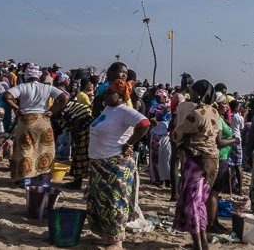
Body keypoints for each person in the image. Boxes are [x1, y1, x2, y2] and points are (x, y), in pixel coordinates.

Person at [86, 79, 150, 249]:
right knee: (101, 203)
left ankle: (117, 242)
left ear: (120, 96)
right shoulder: (108, 109)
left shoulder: (125, 111)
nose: (105, 95)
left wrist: (130, 143)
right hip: (100, 164)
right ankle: (108, 238)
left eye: (109, 93)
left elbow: (144, 124)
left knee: (115, 203)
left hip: (115, 164)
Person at [172, 80, 221, 250]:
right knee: (201, 202)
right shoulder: (215, 112)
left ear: (199, 95)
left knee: (192, 203)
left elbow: (177, 133)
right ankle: (204, 242)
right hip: (213, 161)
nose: (189, 94)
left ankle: (198, 245)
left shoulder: (197, 114)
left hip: (196, 161)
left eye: (192, 92)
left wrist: (178, 137)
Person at [2, 65, 68, 187]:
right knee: (44, 149)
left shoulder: (22, 87)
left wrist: (18, 109)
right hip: (43, 119)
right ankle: (43, 180)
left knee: (25, 149)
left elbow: (7, 96)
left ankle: (25, 179)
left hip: (26, 120)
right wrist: (53, 110)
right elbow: (64, 98)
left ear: (26, 76)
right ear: (38, 76)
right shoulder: (47, 88)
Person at [208, 92, 239, 233]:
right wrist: (234, 140)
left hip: (222, 157)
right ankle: (211, 224)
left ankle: (215, 221)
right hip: (220, 157)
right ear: (217, 104)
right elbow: (219, 142)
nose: (227, 106)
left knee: (216, 192)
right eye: (224, 103)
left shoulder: (219, 118)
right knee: (214, 192)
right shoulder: (218, 119)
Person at [54, 100, 93, 190]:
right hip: (82, 131)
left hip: (83, 132)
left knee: (80, 158)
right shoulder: (65, 107)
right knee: (77, 157)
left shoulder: (65, 110)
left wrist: (75, 139)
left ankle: (77, 183)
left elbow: (78, 123)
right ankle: (76, 181)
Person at [148, 110, 172, 188]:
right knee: (157, 160)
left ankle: (167, 180)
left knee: (166, 160)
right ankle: (160, 180)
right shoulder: (158, 109)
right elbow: (152, 120)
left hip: (166, 138)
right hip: (157, 138)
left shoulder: (171, 112)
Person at [227, 99, 245, 194]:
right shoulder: (240, 117)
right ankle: (240, 189)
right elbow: (242, 128)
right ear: (237, 107)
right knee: (238, 165)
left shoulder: (228, 117)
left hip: (229, 139)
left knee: (229, 165)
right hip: (238, 140)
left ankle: (229, 189)